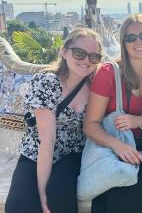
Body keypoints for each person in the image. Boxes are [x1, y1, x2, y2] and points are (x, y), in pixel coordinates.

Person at [83, 14, 142, 213]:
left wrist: (140, 121)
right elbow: (90, 124)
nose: (138, 42)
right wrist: (118, 146)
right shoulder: (110, 73)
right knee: (127, 191)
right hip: (114, 149)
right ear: (123, 43)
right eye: (130, 38)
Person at [5, 28, 103, 213]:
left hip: (72, 155)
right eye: (79, 53)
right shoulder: (46, 82)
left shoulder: (94, 86)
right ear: (64, 52)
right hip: (36, 153)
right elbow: (47, 142)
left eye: (94, 57)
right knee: (19, 203)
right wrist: (42, 195)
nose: (86, 61)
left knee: (60, 197)